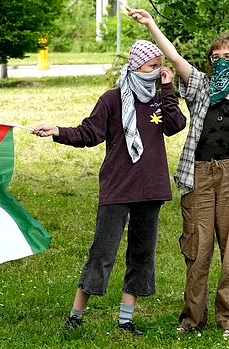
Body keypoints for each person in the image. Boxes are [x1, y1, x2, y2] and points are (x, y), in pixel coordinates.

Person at [128, 9, 229, 339]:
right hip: (199, 176)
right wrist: (151, 24)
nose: (222, 59)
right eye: (216, 55)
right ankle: (192, 318)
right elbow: (174, 57)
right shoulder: (201, 89)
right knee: (196, 250)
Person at [33, 39, 186, 336]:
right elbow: (89, 133)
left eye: (159, 67)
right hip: (118, 187)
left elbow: (175, 125)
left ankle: (126, 318)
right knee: (102, 252)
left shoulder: (159, 97)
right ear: (135, 66)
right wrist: (57, 132)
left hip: (151, 188)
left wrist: (167, 90)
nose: (157, 71)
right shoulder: (112, 99)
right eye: (152, 66)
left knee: (142, 254)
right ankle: (76, 315)